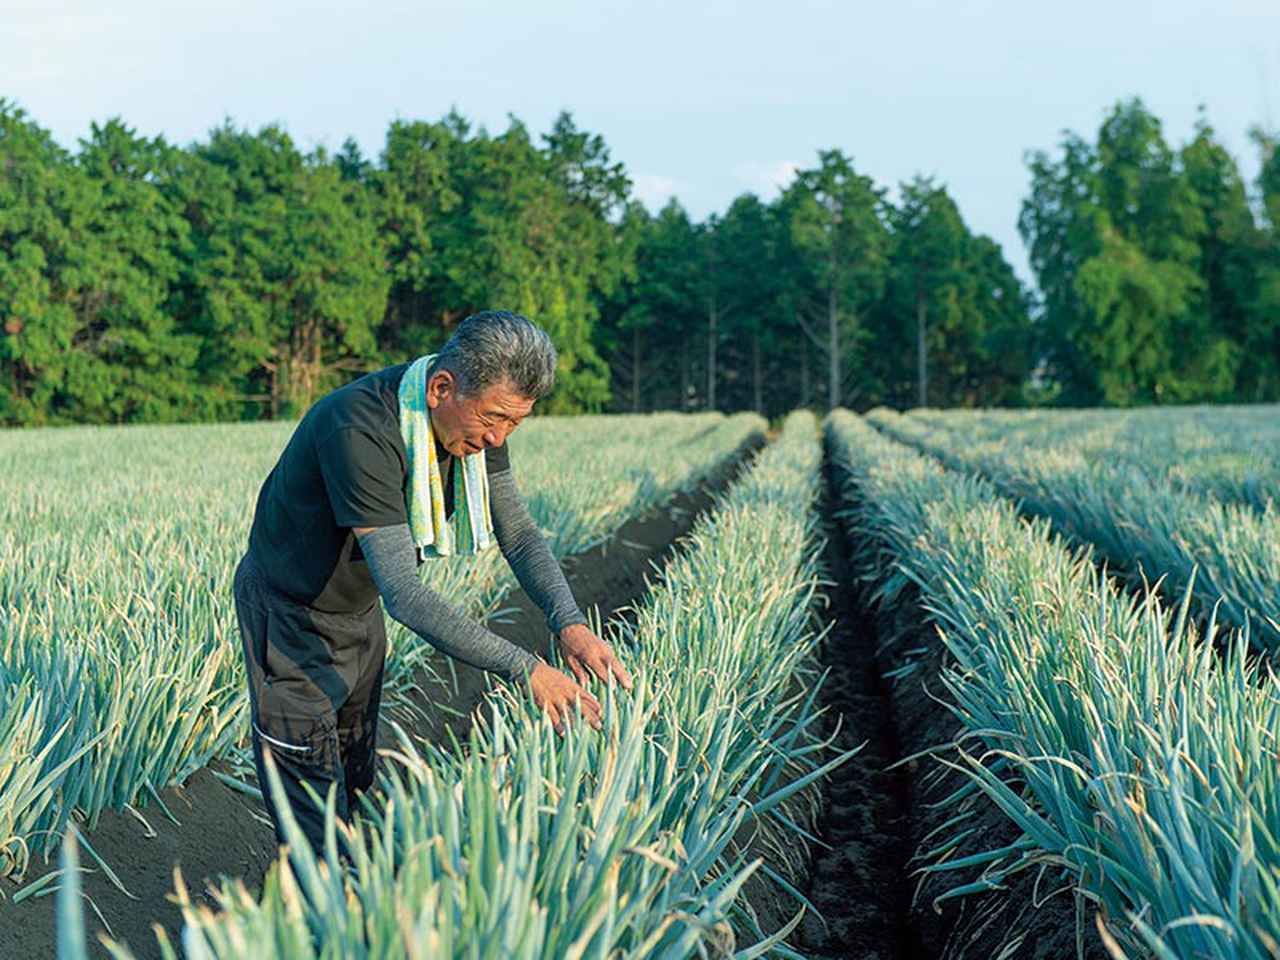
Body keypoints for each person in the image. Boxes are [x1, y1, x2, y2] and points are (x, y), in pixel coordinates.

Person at [231, 310, 633, 859]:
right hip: (289, 617)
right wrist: (526, 668)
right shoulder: (360, 431)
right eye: (493, 419)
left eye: (514, 424)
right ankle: (312, 917)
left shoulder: (478, 424)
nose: (497, 437)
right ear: (442, 388)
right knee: (311, 800)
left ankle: (334, 893)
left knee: (353, 770)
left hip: (357, 611)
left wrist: (570, 625)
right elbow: (405, 592)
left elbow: (516, 532)